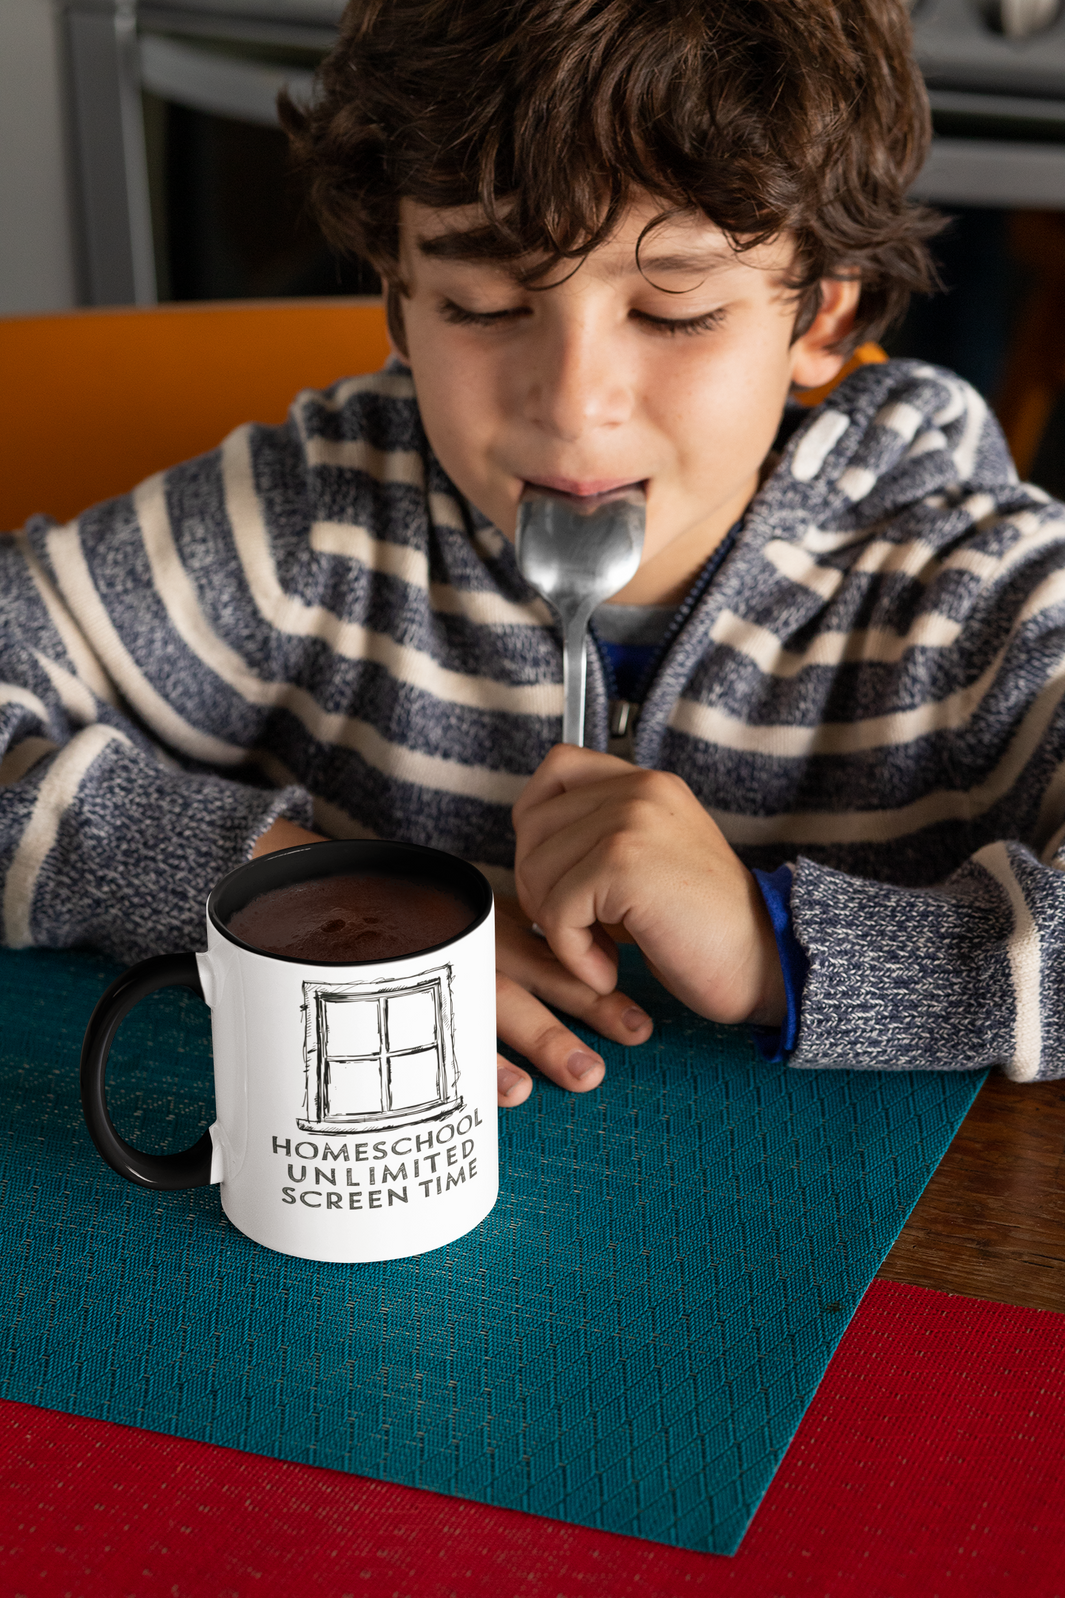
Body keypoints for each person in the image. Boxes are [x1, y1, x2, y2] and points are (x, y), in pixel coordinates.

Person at [3, 0, 1064, 1101]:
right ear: (399, 298)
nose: (572, 405)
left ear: (823, 315)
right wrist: (276, 886)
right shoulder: (316, 521)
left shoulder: (968, 592)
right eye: (485, 303)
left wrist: (777, 947)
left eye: (673, 311)